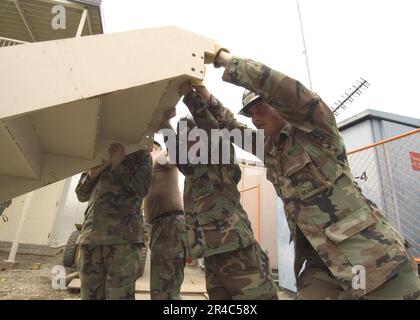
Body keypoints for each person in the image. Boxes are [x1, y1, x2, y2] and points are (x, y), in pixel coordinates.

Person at [182, 48, 420, 300]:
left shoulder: (317, 132)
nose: (254, 118)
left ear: (279, 105)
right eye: (250, 113)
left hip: (374, 260)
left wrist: (227, 61)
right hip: (319, 264)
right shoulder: (270, 148)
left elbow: (289, 92)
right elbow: (231, 126)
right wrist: (200, 94)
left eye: (260, 108)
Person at [160, 100, 279, 300]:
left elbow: (212, 129)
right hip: (210, 253)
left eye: (192, 136)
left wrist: (190, 95)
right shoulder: (192, 171)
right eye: (183, 138)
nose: (187, 142)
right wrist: (164, 124)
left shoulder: (220, 159)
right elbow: (178, 155)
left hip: (236, 249)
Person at [75, 143, 152, 300]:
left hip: (123, 240)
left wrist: (119, 165)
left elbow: (142, 188)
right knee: (89, 295)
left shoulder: (141, 154)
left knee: (119, 296)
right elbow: (81, 195)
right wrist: (92, 174)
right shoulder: (97, 154)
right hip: (91, 237)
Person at [143, 140, 188, 300]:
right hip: (161, 225)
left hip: (170, 223)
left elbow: (173, 153)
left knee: (165, 288)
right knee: (162, 288)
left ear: (153, 148)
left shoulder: (161, 158)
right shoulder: (147, 172)